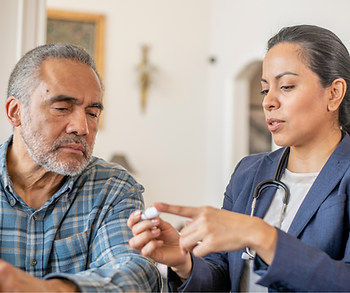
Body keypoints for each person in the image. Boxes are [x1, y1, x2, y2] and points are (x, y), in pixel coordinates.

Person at [128, 24, 350, 292]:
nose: (269, 101)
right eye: (265, 90)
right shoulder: (249, 172)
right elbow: (222, 274)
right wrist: (184, 261)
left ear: (334, 93)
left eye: (287, 86)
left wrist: (263, 236)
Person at [0, 43, 162, 292]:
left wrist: (49, 290)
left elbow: (134, 273)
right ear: (15, 112)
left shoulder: (114, 187)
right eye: (62, 108)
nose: (82, 127)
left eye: (92, 113)